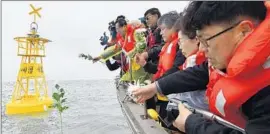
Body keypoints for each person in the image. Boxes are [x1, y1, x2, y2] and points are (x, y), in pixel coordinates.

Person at [133, 1, 270, 134]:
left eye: (206, 40)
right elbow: (200, 72)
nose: (202, 49)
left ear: (244, 31)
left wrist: (191, 124)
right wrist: (156, 87)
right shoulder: (226, 61)